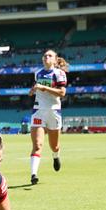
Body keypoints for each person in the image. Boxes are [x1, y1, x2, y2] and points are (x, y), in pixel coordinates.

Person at [28, 50, 68, 185]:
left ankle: (56, 156)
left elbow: (62, 93)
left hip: (54, 111)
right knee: (37, 144)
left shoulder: (59, 74)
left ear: (55, 59)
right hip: (38, 110)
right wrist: (33, 90)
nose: (46, 57)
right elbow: (36, 88)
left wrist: (45, 88)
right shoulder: (37, 73)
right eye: (44, 55)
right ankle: (34, 174)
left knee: (54, 146)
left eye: (50, 55)